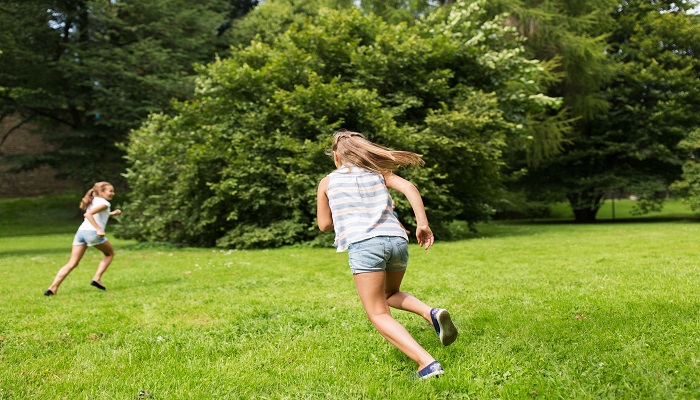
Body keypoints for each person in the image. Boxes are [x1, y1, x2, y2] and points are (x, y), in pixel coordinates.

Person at [316, 130, 458, 380]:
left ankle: (427, 363)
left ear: (337, 157)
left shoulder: (328, 182)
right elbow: (410, 188)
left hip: (365, 244)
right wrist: (422, 224)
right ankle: (431, 313)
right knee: (389, 294)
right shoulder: (379, 173)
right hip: (397, 240)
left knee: (378, 312)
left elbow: (324, 225)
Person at [44, 182, 122, 295]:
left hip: (81, 232)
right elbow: (88, 214)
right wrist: (99, 229)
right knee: (109, 254)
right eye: (110, 191)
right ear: (101, 192)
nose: (113, 193)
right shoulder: (105, 203)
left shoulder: (94, 200)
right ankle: (97, 278)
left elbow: (98, 213)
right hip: (92, 233)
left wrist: (112, 214)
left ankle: (53, 288)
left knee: (72, 263)